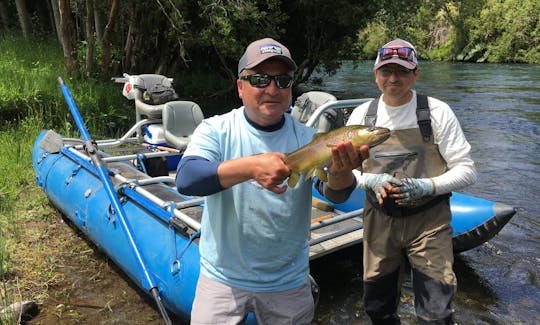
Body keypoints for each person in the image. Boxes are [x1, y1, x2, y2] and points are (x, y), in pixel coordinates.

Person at [175, 37, 368, 325]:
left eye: (283, 80)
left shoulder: (308, 138)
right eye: (260, 79)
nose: (272, 89)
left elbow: (334, 194)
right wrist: (251, 167)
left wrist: (341, 174)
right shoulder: (215, 130)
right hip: (222, 279)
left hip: (288, 281)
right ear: (240, 86)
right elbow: (188, 179)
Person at [321, 38, 477, 324]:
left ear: (415, 74)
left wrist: (426, 186)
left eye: (402, 71)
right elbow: (343, 172)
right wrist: (367, 180)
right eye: (386, 71)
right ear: (375, 73)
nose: (393, 78)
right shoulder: (361, 116)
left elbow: (467, 170)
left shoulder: (436, 112)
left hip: (429, 221)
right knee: (378, 307)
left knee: (437, 311)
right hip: (379, 221)